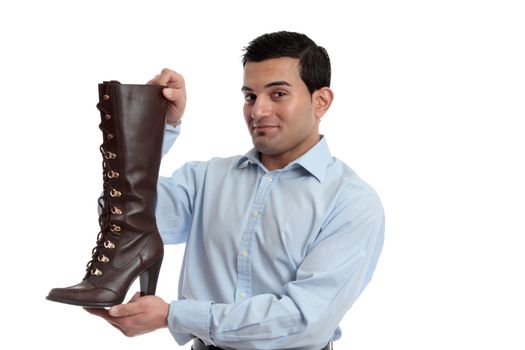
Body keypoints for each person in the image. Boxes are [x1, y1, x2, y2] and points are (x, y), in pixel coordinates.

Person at [86, 31, 385, 350]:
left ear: (321, 101)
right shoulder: (206, 178)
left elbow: (301, 321)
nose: (258, 111)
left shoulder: (351, 203)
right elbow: (122, 214)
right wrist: (153, 124)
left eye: (278, 94)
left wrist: (174, 315)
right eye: (250, 96)